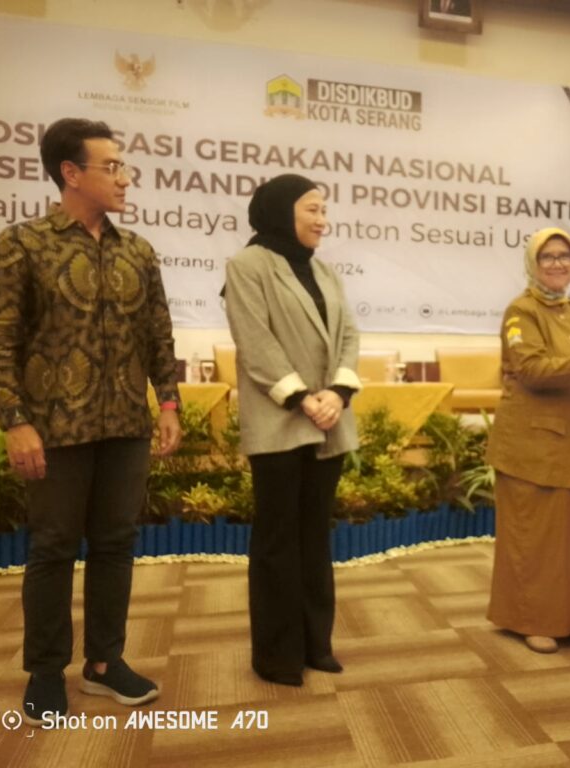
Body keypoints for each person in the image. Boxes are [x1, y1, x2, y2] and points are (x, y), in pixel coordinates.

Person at [0, 118, 182, 726]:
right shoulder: (22, 244)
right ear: (70, 173)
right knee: (53, 547)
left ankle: (104, 663)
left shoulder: (137, 251)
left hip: (125, 425)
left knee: (116, 544)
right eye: (111, 166)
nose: (125, 177)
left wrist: (168, 403)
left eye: (123, 165)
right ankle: (45, 671)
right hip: (54, 429)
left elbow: (159, 335)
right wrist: (15, 422)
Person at [223, 174, 361, 686]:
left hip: (329, 421)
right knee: (278, 540)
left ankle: (315, 643)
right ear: (282, 211)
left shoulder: (325, 271)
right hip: (280, 421)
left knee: (315, 535)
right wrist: (303, 398)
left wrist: (338, 393)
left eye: (324, 210)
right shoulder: (248, 265)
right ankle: (278, 655)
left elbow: (349, 335)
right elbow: (255, 342)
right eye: (312, 210)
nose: (323, 220)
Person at [485, 227, 570, 653]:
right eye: (548, 256)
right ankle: (532, 620)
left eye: (565, 256)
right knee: (535, 539)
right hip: (533, 447)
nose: (558, 263)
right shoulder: (521, 311)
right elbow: (532, 370)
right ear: (533, 263)